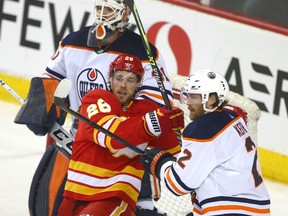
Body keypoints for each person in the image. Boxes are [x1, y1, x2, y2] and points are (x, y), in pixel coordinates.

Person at [14, 0, 175, 214]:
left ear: (125, 12)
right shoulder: (73, 42)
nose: (102, 14)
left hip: (125, 151)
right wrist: (40, 107)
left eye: (108, 9)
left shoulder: (144, 52)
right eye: (100, 8)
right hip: (81, 140)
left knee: (138, 208)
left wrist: (118, 130)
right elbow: (51, 78)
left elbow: (156, 104)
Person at [57, 53, 184, 215]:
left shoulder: (147, 111)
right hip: (73, 195)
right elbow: (111, 136)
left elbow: (175, 159)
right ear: (110, 79)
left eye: (130, 80)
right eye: (119, 78)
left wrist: (174, 131)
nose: (123, 85)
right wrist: (154, 123)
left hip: (113, 198)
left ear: (139, 84)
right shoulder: (95, 98)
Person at [141, 70, 271, 216]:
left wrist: (159, 162)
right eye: (187, 95)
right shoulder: (234, 118)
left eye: (194, 97)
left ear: (211, 100)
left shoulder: (204, 128)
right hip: (257, 210)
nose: (188, 102)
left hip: (228, 211)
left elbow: (177, 184)